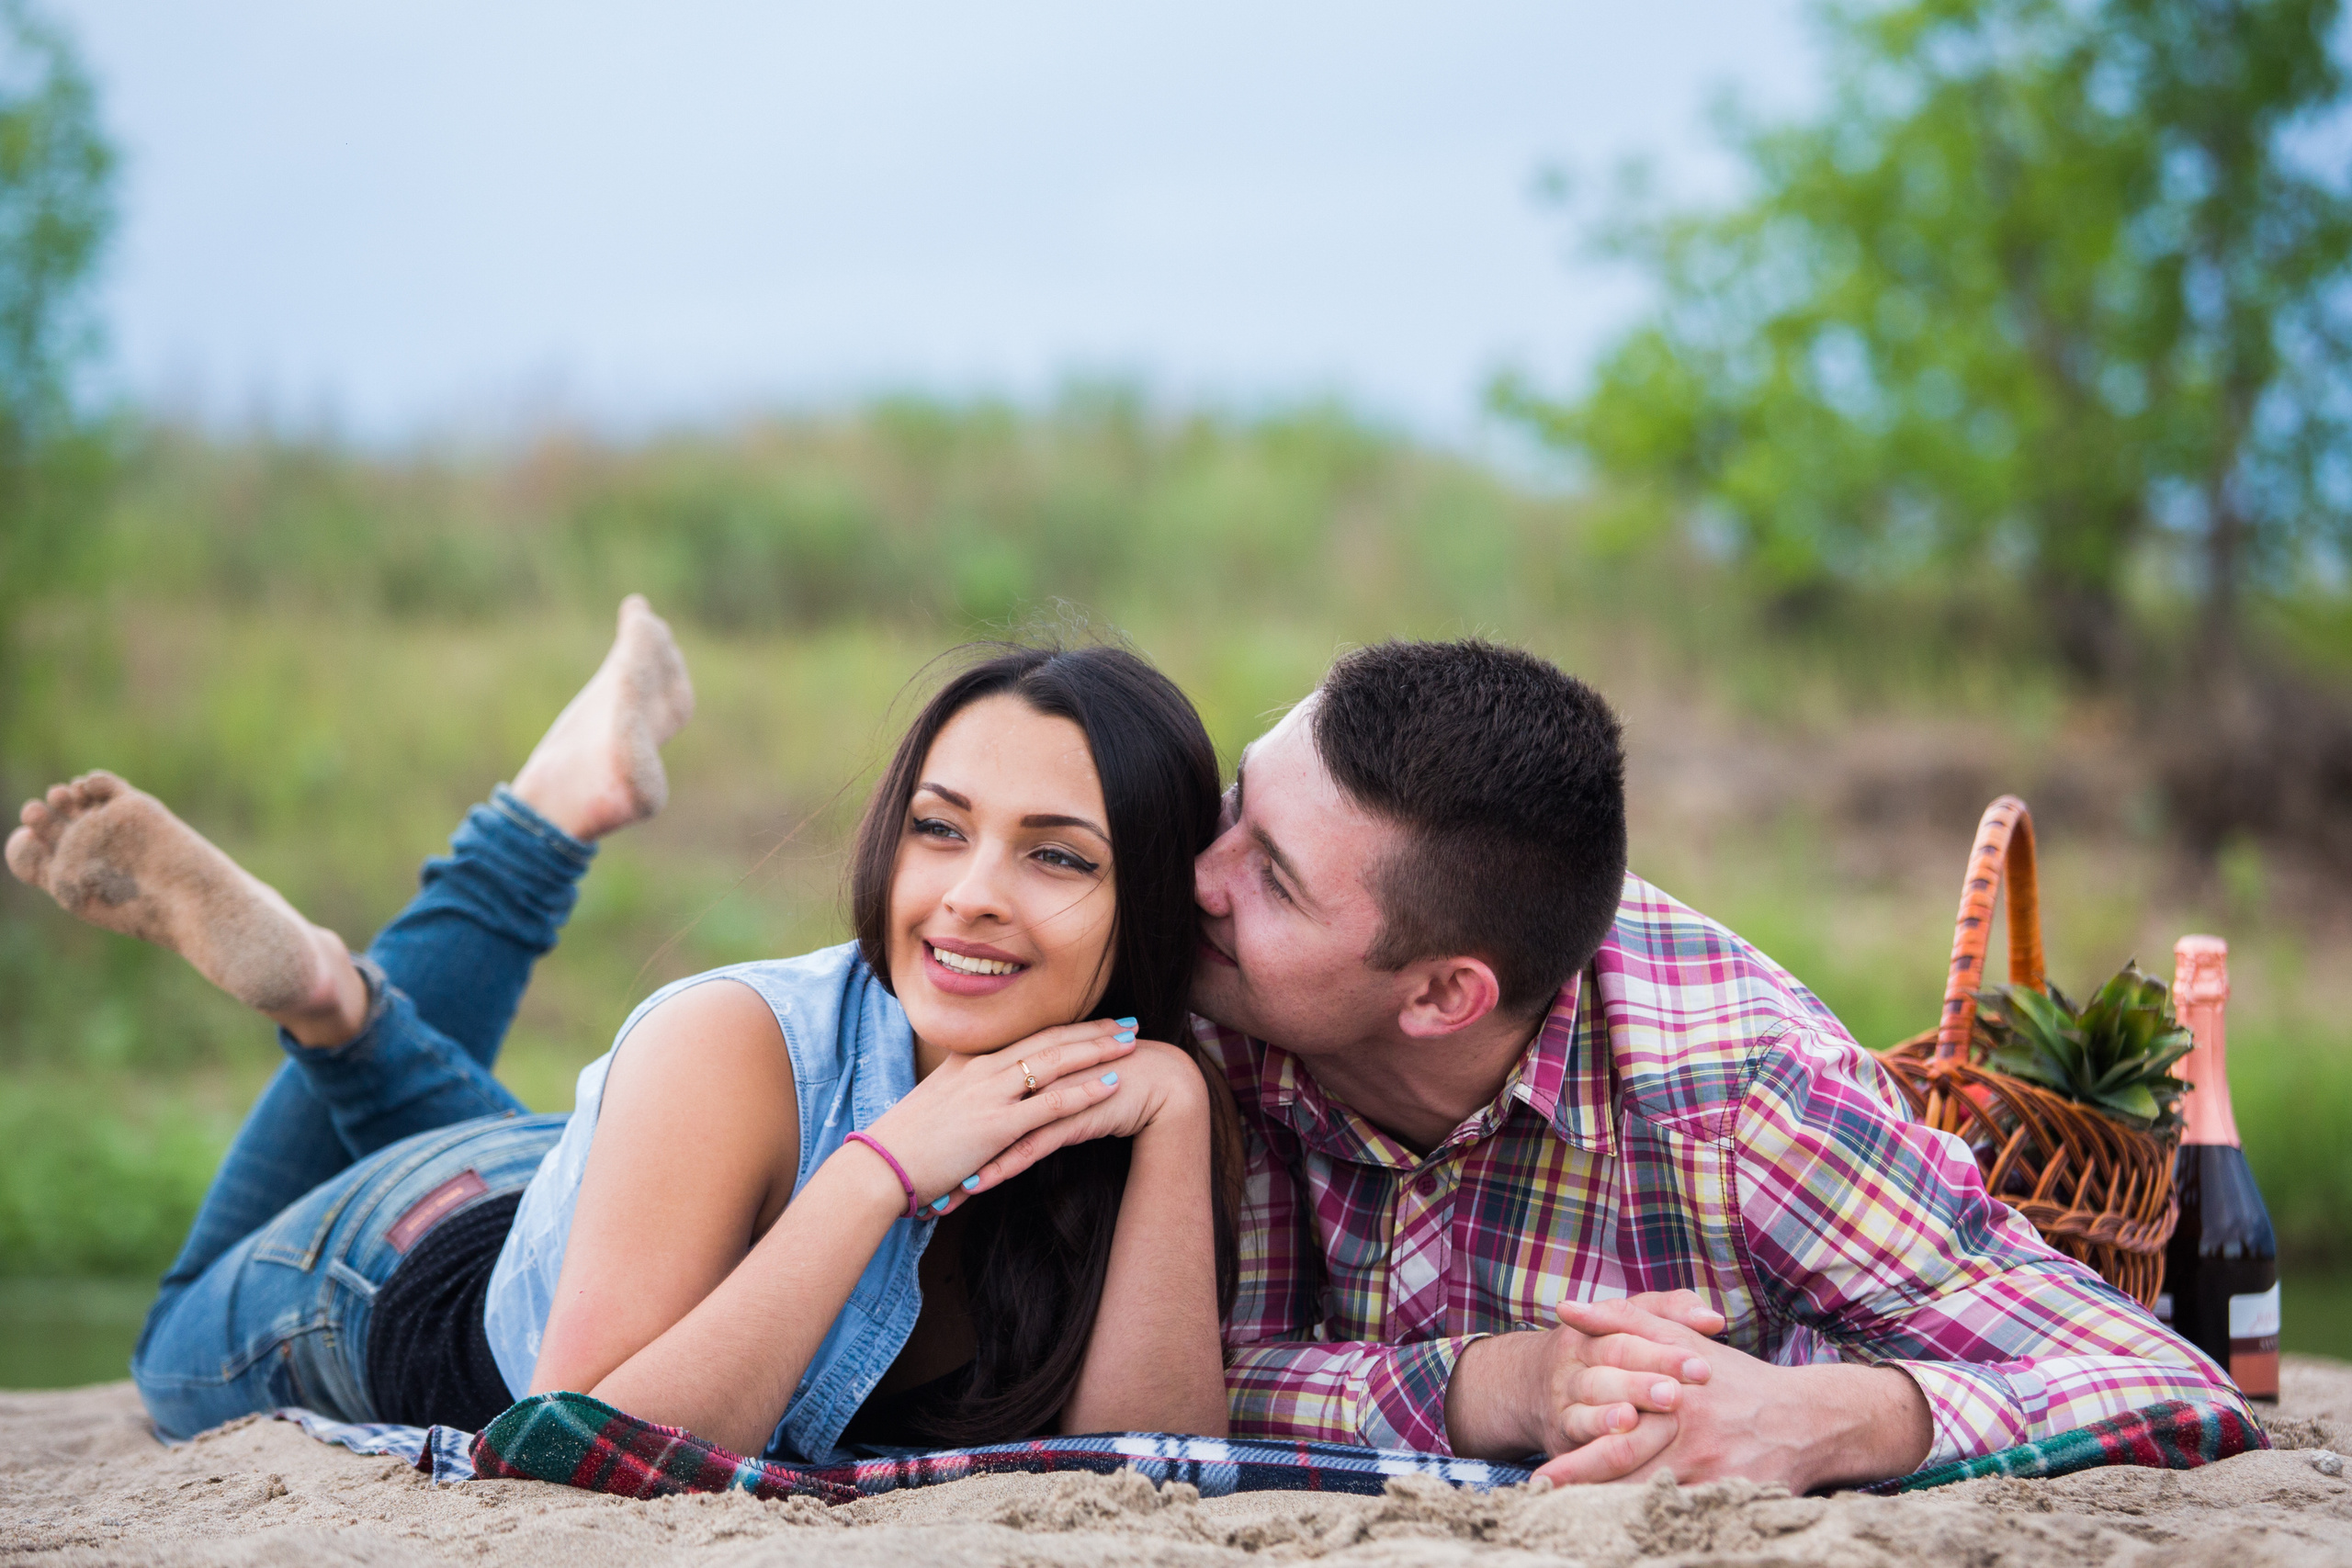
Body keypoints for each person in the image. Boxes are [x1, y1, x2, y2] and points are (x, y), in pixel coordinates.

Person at [6, 602, 1236, 1462]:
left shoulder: (1138, 1090)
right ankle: (365, 975)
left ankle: (346, 1001)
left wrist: (1176, 1113)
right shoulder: (732, 1039)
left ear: (1154, 901)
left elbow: (1147, 1466)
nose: (971, 890)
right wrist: (881, 1172)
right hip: (383, 1265)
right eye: (939, 826)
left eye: (1058, 854)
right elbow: (575, 1442)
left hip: (599, 1189)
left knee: (548, 1146)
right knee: (168, 1340)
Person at [1185, 637, 2258, 1491]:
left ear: (1440, 996)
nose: (1199, 873)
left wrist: (1833, 1421)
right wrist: (1505, 1386)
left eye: (1273, 879)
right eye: (1242, 798)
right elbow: (1179, 1384)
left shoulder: (1746, 1098)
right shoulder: (1211, 991)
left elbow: (2167, 1382)